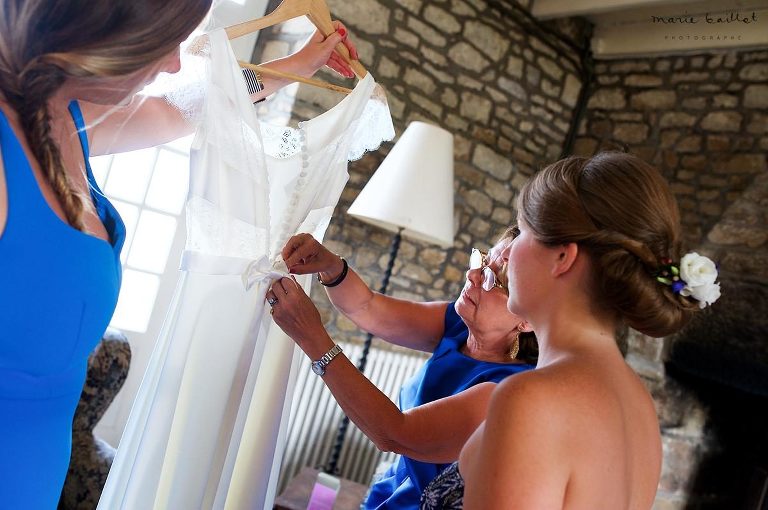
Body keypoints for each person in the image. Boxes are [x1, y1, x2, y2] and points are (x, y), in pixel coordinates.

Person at [0, 1, 359, 506]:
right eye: (165, 41)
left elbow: (177, 109)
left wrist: (294, 68)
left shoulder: (63, 115)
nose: (172, 63)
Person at [426, 152, 719, 509]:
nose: (507, 254)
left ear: (562, 258)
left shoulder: (532, 399)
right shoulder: (639, 407)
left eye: (523, 231)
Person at [267, 230, 537, 509]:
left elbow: (394, 433)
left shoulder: (505, 393)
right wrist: (330, 265)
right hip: (386, 495)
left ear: (527, 319)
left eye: (495, 279)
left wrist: (312, 338)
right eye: (482, 262)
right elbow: (366, 307)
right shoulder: (457, 325)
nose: (473, 276)